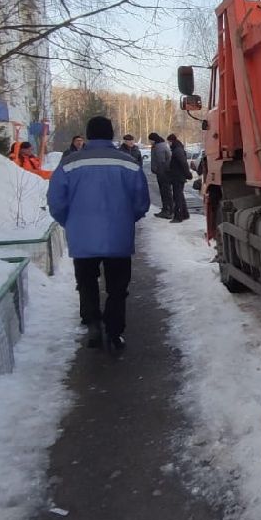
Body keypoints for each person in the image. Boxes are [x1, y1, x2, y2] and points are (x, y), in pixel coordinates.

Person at [47, 115, 150, 351]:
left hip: (82, 237)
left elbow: (56, 202)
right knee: (117, 287)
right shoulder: (128, 163)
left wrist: (71, 222)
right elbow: (141, 201)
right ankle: (114, 332)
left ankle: (93, 322)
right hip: (118, 237)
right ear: (111, 134)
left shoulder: (70, 164)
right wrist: (126, 219)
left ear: (89, 135)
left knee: (86, 283)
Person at [167, 133, 192, 222]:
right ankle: (185, 214)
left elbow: (183, 163)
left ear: (171, 141)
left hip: (177, 177)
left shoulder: (177, 150)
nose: (168, 144)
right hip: (178, 176)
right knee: (180, 195)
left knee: (177, 196)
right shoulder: (178, 148)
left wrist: (188, 174)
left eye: (169, 142)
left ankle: (178, 217)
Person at [147, 132, 172, 218]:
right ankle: (167, 208)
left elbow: (161, 162)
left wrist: (159, 172)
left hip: (163, 173)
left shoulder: (159, 147)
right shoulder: (159, 145)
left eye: (150, 140)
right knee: (165, 191)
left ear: (154, 139)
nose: (150, 142)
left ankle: (168, 210)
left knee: (165, 191)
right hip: (163, 173)